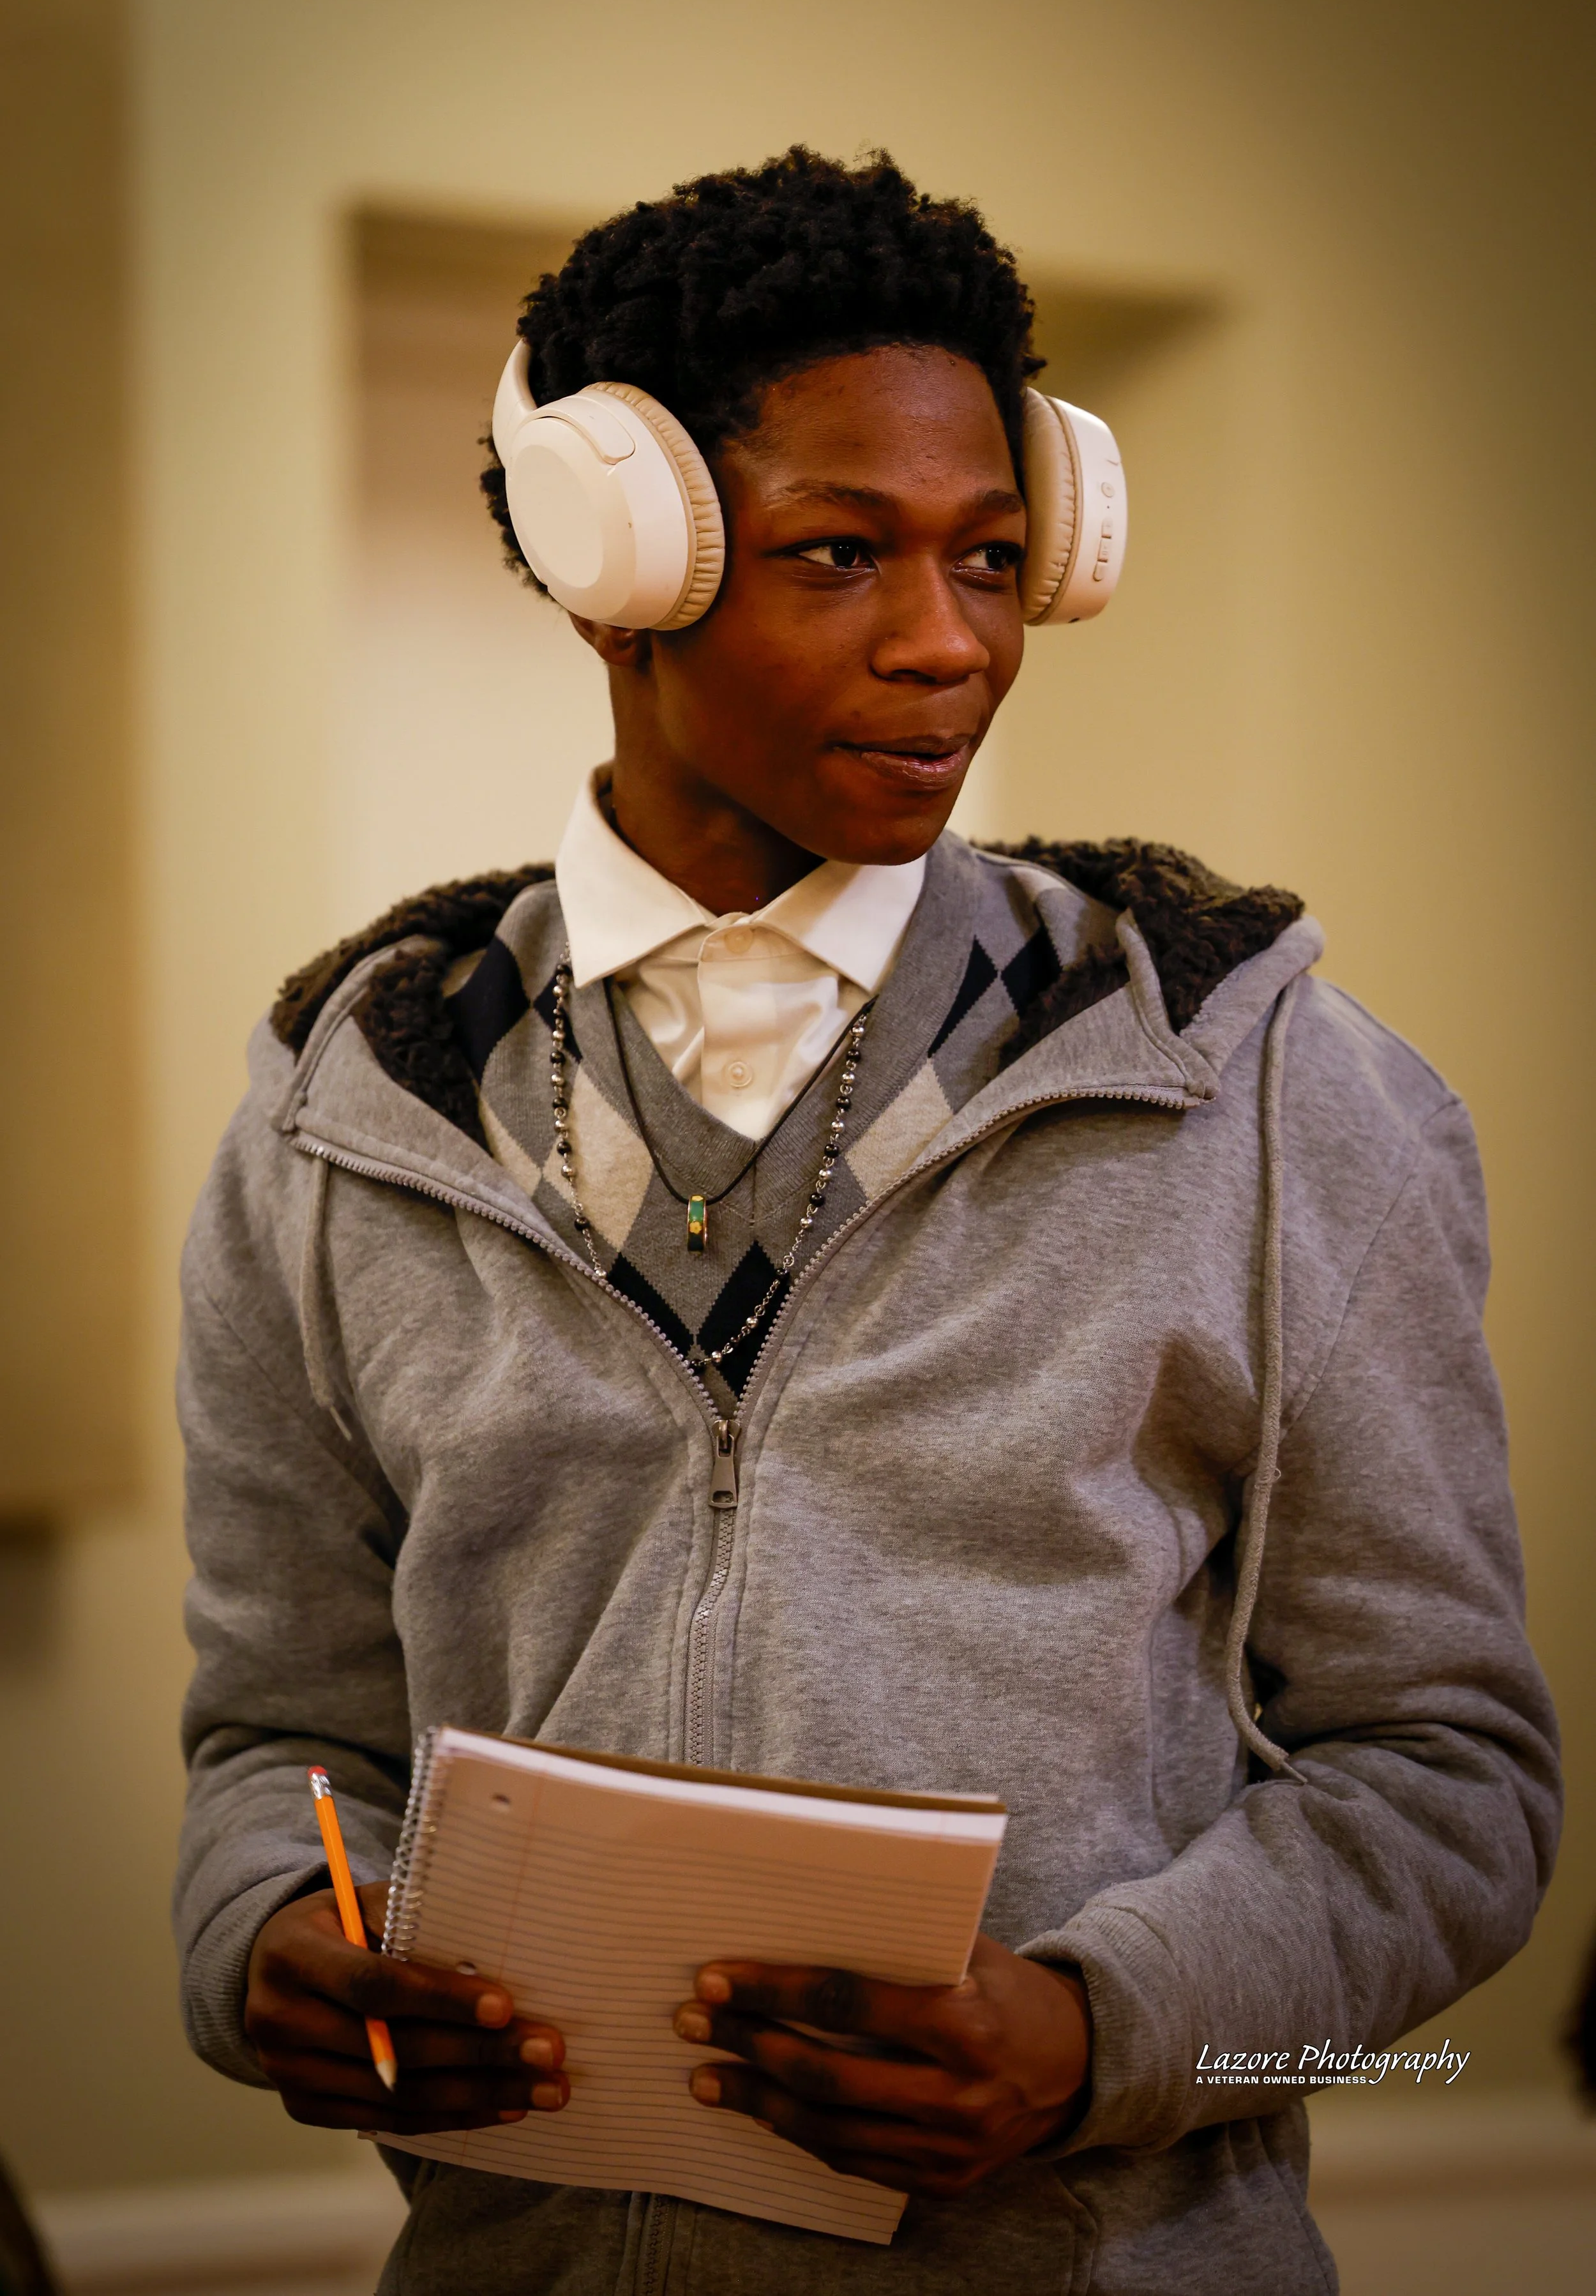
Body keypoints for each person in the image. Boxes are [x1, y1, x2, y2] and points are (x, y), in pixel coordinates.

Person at [173, 148, 1560, 2294]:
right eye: (844, 556)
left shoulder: (1263, 1081)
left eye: (995, 559)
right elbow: (286, 1732)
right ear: (612, 559)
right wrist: (268, 1933)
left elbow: (1448, 1775)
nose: (950, 644)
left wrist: (1106, 2030)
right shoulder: (346, 1103)